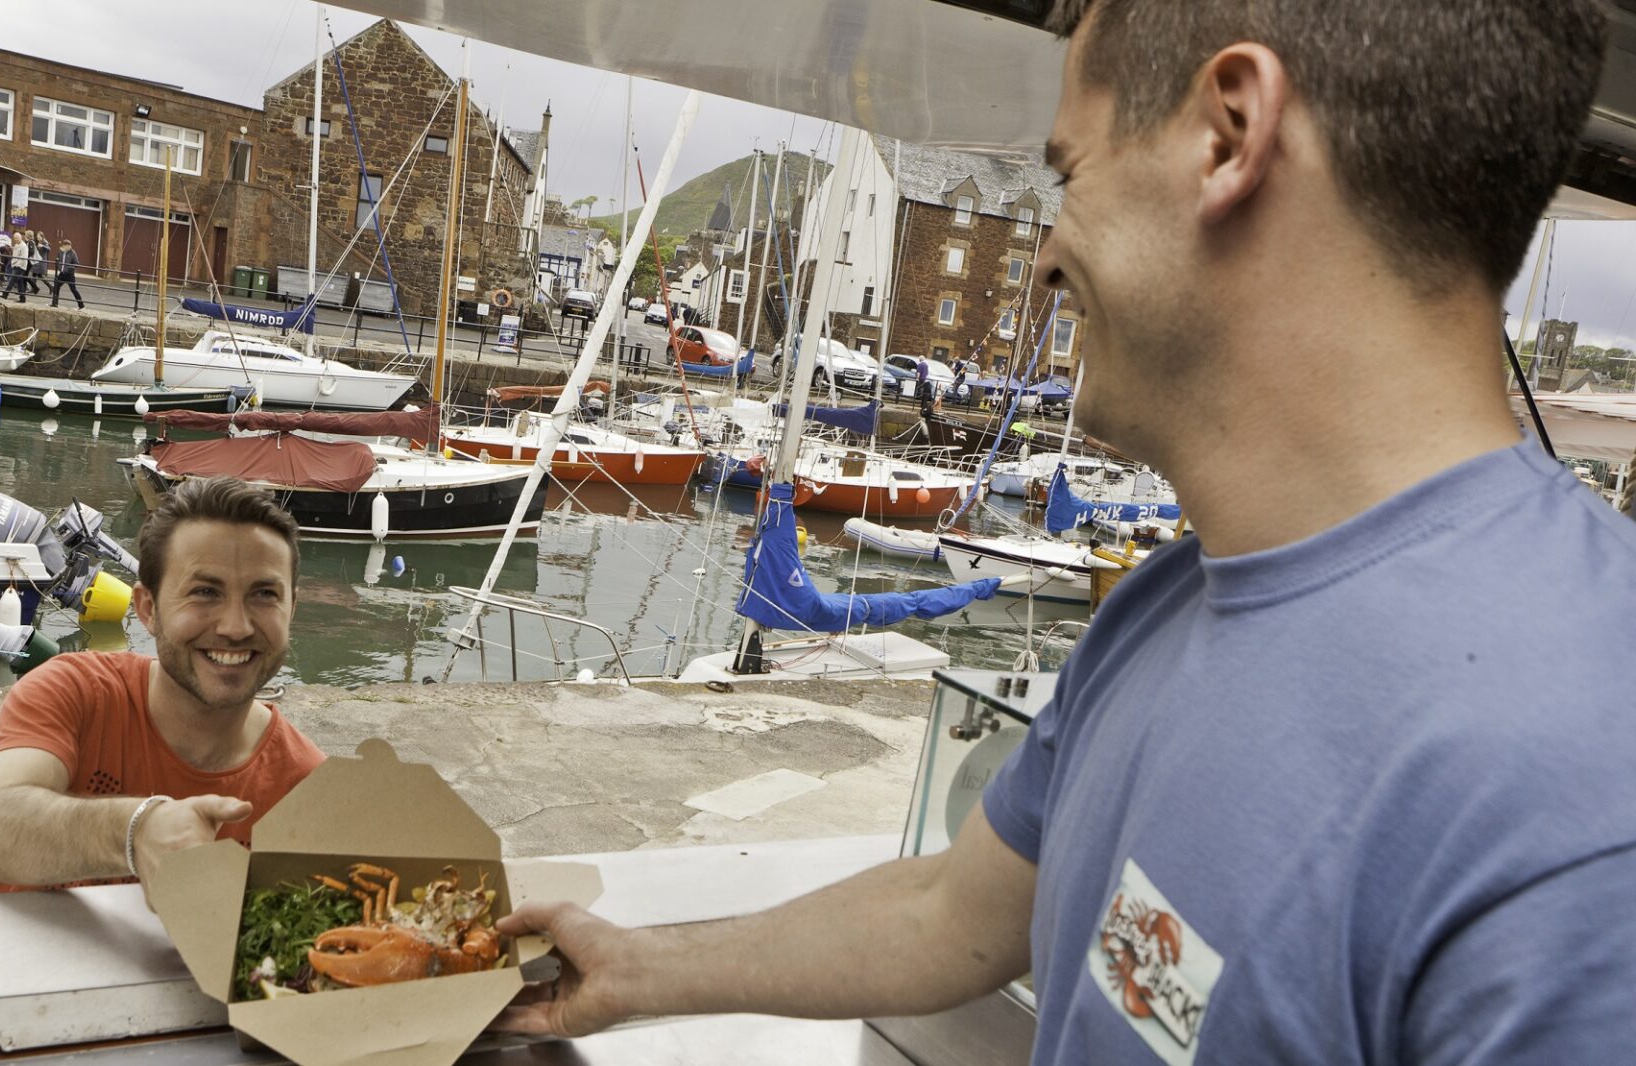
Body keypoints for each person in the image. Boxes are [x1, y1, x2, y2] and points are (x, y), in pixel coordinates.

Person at [496, 1, 1636, 1062]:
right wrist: (637, 964)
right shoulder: (1169, 598)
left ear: (1228, 134)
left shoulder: (1579, 799)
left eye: (1071, 171)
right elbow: (955, 909)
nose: (1042, 254)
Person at [0, 477, 324, 897]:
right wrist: (137, 832)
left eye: (264, 594)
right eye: (204, 592)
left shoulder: (310, 789)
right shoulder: (74, 692)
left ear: (291, 608)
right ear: (148, 609)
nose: (235, 627)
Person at [50, 238, 85, 309]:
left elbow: (76, 264)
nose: (69, 247)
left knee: (73, 289)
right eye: (68, 246)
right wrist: (60, 268)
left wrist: (68, 268)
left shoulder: (73, 253)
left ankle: (81, 305)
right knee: (56, 287)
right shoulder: (60, 252)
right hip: (62, 274)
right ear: (64, 246)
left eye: (70, 246)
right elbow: (57, 260)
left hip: (69, 274)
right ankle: (55, 303)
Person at [0, 232, 31, 302]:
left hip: (20, 267)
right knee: (20, 283)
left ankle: (5, 295)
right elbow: (14, 255)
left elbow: (24, 258)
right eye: (15, 238)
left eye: (17, 238)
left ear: (21, 238)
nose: (16, 239)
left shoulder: (24, 246)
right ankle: (22, 298)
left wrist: (16, 264)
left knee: (12, 281)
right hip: (15, 265)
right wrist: (13, 263)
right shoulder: (17, 245)